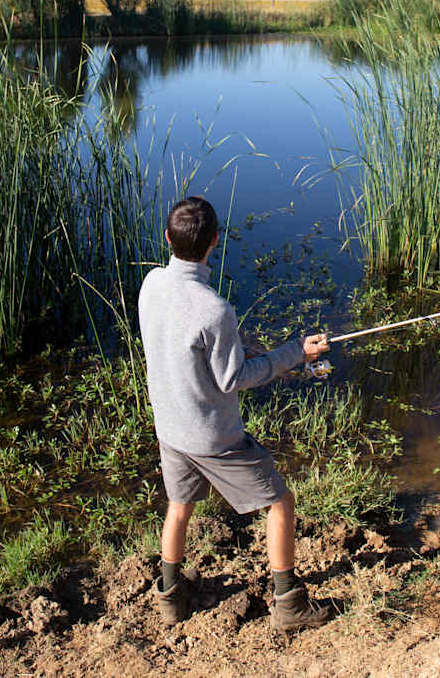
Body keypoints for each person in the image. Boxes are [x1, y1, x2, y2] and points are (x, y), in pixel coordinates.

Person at [138, 196, 332, 631]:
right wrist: (292, 354)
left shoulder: (151, 283)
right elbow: (232, 379)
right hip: (212, 437)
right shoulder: (215, 309)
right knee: (280, 502)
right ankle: (289, 606)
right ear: (215, 244)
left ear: (167, 238)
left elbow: (184, 343)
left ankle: (170, 599)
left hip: (169, 427)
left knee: (179, 506)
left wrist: (241, 347)